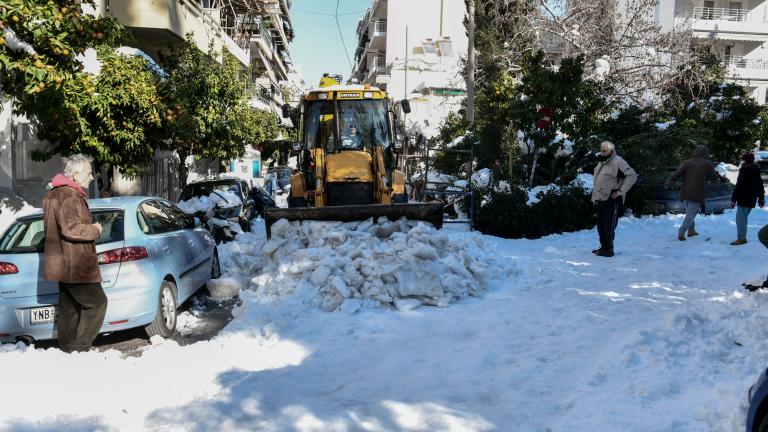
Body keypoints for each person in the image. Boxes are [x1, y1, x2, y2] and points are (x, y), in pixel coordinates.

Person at [43, 154, 106, 353]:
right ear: (76, 174)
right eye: (88, 172)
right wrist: (95, 229)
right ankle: (80, 348)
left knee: (69, 307)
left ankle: (67, 350)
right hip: (77, 264)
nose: (92, 177)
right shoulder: (69, 195)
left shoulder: (53, 194)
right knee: (97, 303)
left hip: (62, 264)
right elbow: (70, 229)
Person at [591, 141, 638, 257]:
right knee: (600, 225)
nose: (602, 152)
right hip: (601, 198)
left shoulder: (618, 161)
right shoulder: (601, 161)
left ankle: (609, 249)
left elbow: (632, 175)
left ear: (611, 151)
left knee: (609, 225)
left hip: (612, 198)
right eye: (601, 150)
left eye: (605, 151)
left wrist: (620, 191)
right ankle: (603, 247)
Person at [665, 145, 718, 241]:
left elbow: (676, 173)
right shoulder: (708, 164)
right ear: (706, 153)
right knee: (690, 214)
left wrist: (669, 182)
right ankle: (681, 232)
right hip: (697, 193)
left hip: (684, 192)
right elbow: (713, 177)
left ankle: (691, 231)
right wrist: (715, 184)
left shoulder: (687, 162)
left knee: (690, 213)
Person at [731, 153, 765, 245]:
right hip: (752, 198)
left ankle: (742, 238)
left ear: (745, 160)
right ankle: (742, 237)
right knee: (743, 218)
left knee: (740, 219)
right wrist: (761, 198)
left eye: (743, 159)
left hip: (743, 197)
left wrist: (733, 199)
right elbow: (760, 184)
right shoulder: (756, 169)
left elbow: (739, 185)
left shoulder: (745, 169)